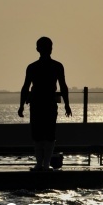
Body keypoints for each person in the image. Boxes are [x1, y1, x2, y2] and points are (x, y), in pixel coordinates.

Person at [18, 37, 71, 171]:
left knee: (40, 134)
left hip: (40, 103)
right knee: (46, 133)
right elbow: (63, 86)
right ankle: (44, 164)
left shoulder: (33, 67)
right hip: (45, 103)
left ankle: (42, 164)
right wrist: (66, 104)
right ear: (50, 48)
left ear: (37, 49)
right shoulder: (56, 66)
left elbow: (25, 87)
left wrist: (21, 105)